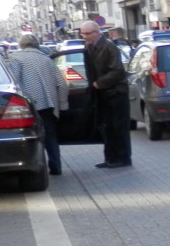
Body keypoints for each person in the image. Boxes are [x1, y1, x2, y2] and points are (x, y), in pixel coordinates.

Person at [8, 33, 70, 176]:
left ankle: (32, 168)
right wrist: (63, 106)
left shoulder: (16, 58)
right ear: (37, 45)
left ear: (21, 45)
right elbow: (61, 84)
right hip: (48, 105)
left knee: (30, 137)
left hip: (28, 106)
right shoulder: (47, 59)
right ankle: (56, 167)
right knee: (50, 136)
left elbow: (14, 83)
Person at [80, 20, 131, 169]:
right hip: (102, 94)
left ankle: (123, 158)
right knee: (107, 127)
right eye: (83, 34)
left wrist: (99, 83)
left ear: (97, 32)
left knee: (118, 126)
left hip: (116, 93)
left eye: (88, 34)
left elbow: (117, 71)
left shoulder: (109, 46)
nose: (85, 37)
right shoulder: (88, 46)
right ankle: (110, 158)